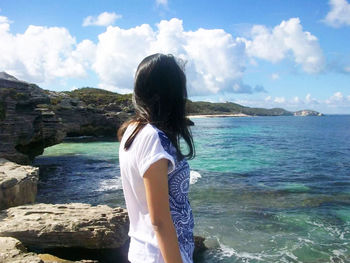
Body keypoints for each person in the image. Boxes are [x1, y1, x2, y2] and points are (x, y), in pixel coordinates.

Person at [118, 53, 196, 263]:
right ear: (171, 92)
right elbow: (159, 220)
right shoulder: (153, 138)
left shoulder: (132, 130)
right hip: (159, 256)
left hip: (144, 251)